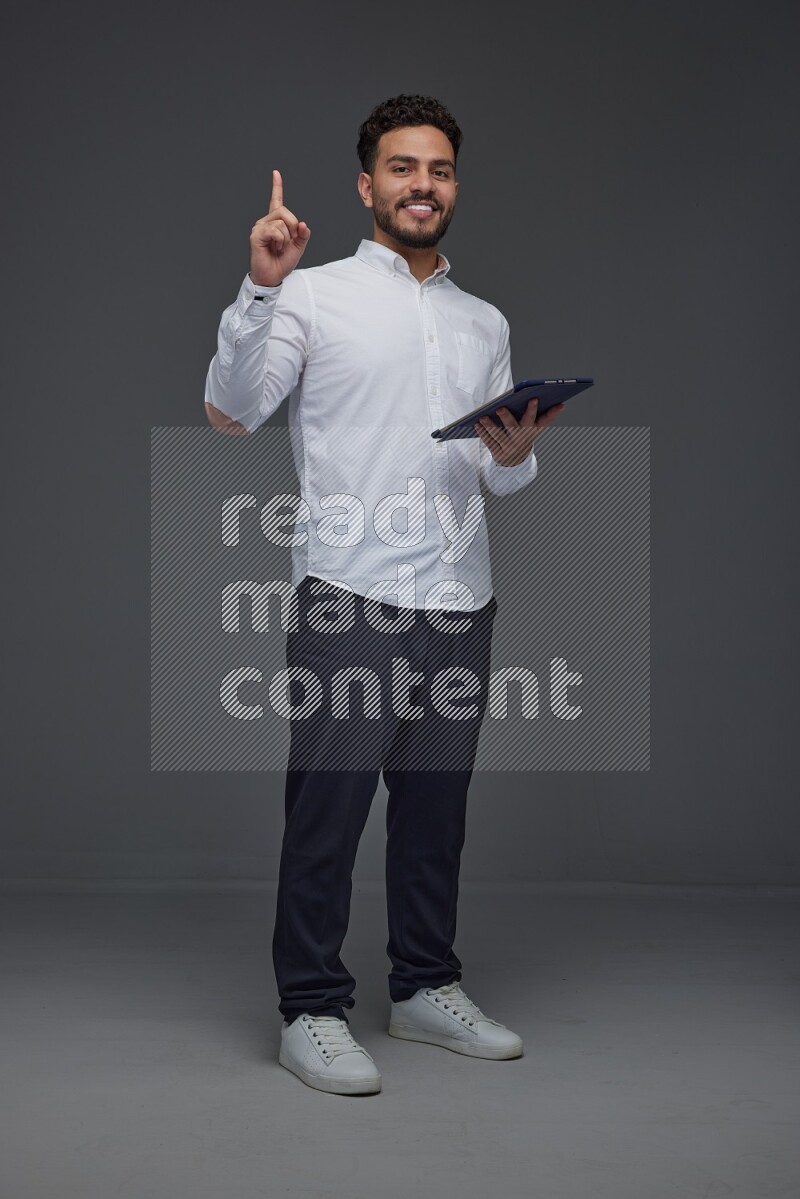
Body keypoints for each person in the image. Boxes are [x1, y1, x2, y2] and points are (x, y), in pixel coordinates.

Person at [204, 94, 563, 1096]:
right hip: (348, 594)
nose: (421, 185)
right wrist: (259, 286)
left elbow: (491, 480)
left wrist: (515, 454)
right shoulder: (310, 296)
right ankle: (309, 1007)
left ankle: (421, 987)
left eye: (438, 169)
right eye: (402, 168)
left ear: (452, 186)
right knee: (328, 807)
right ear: (367, 186)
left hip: (458, 595)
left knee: (433, 811)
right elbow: (232, 409)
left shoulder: (479, 321)